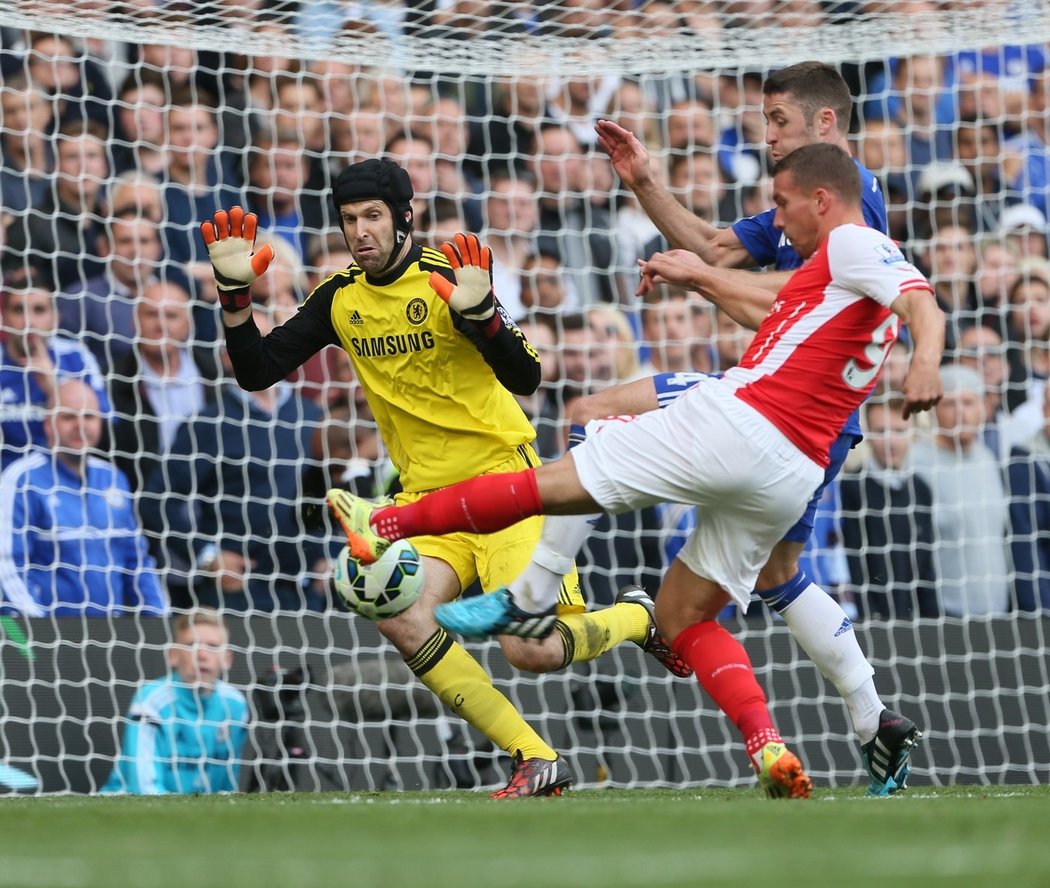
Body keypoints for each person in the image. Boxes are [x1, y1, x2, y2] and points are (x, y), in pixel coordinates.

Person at [329, 143, 945, 799]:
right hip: (793, 467)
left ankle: (460, 559)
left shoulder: (852, 241)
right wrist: (697, 272)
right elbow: (764, 303)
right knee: (685, 614)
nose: (777, 218)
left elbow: (922, 302)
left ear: (821, 198)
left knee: (572, 459)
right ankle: (781, 743)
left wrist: (925, 362)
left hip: (743, 418)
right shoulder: (826, 276)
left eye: (784, 202)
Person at [199, 159, 690, 800]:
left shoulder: (447, 281)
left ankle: (636, 616)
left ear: (405, 217)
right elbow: (257, 372)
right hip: (428, 503)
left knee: (531, 651)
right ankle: (535, 756)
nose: (360, 232)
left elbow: (527, 378)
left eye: (372, 216)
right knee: (398, 612)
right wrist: (234, 299)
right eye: (349, 221)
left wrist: (484, 314)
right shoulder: (339, 297)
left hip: (507, 489)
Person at [576, 62, 925, 793]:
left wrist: (703, 281)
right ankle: (872, 718)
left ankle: (541, 589)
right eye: (764, 123)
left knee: (594, 413)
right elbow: (717, 248)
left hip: (798, 415)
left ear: (825, 124)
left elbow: (793, 297)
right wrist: (643, 181)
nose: (766, 137)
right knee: (776, 573)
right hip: (770, 403)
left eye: (779, 122)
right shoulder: (794, 205)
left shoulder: (859, 207)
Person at [0, 379, 167, 617]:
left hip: (111, 637)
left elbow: (137, 561)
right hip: (49, 637)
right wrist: (40, 632)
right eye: (69, 417)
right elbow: (7, 566)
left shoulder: (113, 478)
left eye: (89, 417)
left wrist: (160, 623)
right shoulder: (21, 479)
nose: (80, 426)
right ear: (48, 424)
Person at [101, 608, 248, 794]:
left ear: (227, 659)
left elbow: (228, 786)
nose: (201, 655)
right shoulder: (151, 701)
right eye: (191, 645)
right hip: (127, 812)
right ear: (173, 655)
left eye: (212, 646)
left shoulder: (235, 705)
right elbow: (143, 788)